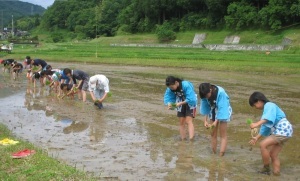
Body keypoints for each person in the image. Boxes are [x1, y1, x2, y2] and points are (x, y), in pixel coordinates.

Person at [248, 92, 293, 176]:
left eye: (254, 105)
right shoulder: (268, 109)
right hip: (285, 131)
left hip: (282, 129)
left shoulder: (269, 105)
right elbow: (266, 126)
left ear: (259, 101)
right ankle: (276, 174)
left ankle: (266, 168)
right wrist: (256, 137)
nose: (255, 108)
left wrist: (256, 124)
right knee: (273, 155)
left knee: (263, 145)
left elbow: (268, 118)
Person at [198, 83, 232, 156]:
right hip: (213, 108)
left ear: (210, 90)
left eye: (207, 96)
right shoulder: (204, 94)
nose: (206, 98)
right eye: (205, 97)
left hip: (223, 108)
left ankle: (221, 155)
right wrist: (205, 120)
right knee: (213, 133)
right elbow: (205, 107)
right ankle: (213, 154)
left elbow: (221, 109)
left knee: (223, 134)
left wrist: (216, 122)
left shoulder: (221, 93)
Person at [164, 76, 197, 141]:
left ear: (176, 82)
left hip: (191, 102)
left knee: (188, 121)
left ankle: (191, 140)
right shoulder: (170, 89)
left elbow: (191, 98)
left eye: (172, 87)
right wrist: (169, 104)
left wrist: (179, 104)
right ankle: (183, 140)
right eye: (170, 87)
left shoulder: (186, 85)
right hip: (180, 101)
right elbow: (168, 97)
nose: (171, 89)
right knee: (181, 122)